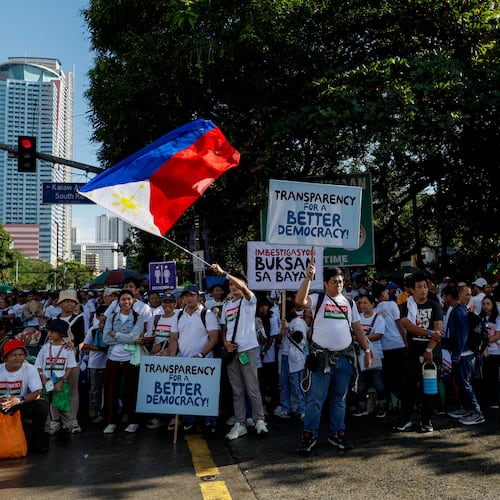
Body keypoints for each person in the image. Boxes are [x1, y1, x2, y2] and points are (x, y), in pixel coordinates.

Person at [295, 264, 371, 455]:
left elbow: (357, 328)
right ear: (325, 283)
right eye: (334, 282)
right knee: (315, 400)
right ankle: (309, 436)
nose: (338, 285)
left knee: (339, 400)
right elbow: (299, 300)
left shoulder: (349, 302)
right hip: (322, 359)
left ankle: (337, 433)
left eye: (341, 281)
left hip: (344, 359)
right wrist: (307, 278)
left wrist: (367, 349)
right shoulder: (317, 298)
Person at [211, 264, 269, 440]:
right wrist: (226, 343)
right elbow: (224, 328)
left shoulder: (249, 300)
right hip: (232, 352)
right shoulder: (227, 305)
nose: (233, 287)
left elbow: (243, 288)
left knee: (252, 388)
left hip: (247, 349)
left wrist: (225, 274)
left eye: (236, 284)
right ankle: (240, 423)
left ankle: (259, 420)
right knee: (237, 390)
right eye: (231, 286)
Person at [167, 284, 219, 434]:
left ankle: (210, 421)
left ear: (199, 297)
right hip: (184, 361)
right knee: (188, 394)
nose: (189, 298)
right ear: (182, 299)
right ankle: (189, 421)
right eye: (186, 296)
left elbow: (214, 337)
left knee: (206, 393)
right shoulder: (178, 315)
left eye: (192, 295)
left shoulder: (207, 314)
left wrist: (201, 354)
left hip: (205, 361)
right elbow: (174, 339)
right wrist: (172, 357)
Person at [396, 273, 443, 433]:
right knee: (407, 386)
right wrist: (430, 333)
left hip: (431, 352)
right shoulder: (405, 306)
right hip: (413, 351)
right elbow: (408, 327)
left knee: (429, 388)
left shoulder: (434, 305)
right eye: (419, 287)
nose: (423, 290)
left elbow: (439, 330)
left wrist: (429, 348)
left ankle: (426, 420)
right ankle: (406, 418)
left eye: (425, 286)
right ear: (411, 289)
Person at [102, 289, 145, 434]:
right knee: (111, 391)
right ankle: (111, 421)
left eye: (129, 299)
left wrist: (117, 334)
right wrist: (126, 337)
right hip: (113, 358)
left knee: (131, 390)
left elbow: (135, 336)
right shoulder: (112, 317)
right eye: (123, 299)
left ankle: (133, 421)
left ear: (133, 301)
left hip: (130, 358)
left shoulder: (138, 317)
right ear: (118, 302)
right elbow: (106, 338)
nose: (126, 302)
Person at [0, 339, 50, 453]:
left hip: (20, 403)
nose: (18, 358)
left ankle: (36, 442)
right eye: (14, 355)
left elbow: (37, 393)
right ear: (5, 358)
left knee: (41, 405)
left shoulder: (30, 369)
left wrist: (18, 400)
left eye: (21, 355)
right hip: (1, 405)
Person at [446, 285, 485, 425]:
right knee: (461, 383)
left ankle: (476, 412)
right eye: (466, 294)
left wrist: (457, 352)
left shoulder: (460, 310)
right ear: (459, 294)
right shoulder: (460, 309)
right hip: (462, 353)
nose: (469, 297)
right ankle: (468, 408)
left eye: (470, 294)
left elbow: (463, 333)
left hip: (464, 354)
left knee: (465, 383)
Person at [51, 289, 86, 434]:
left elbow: (80, 338)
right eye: (66, 301)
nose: (69, 304)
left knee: (72, 390)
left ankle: (72, 419)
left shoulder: (79, 318)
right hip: (54, 362)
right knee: (54, 390)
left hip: (72, 360)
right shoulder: (53, 320)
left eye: (72, 302)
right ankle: (55, 419)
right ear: (60, 303)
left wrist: (74, 343)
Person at [34, 319, 77, 435]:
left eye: (52, 332)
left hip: (59, 380)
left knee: (62, 404)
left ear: (61, 333)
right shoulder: (45, 348)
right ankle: (49, 426)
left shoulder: (67, 349)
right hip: (46, 380)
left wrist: (62, 380)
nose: (49, 335)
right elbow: (38, 364)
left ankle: (69, 425)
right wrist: (42, 376)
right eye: (48, 332)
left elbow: (70, 367)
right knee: (46, 404)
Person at [145, 292, 179, 430]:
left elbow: (177, 338)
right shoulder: (156, 318)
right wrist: (151, 346)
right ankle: (159, 417)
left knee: (172, 389)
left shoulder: (178, 318)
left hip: (172, 358)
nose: (167, 305)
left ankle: (173, 417)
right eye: (165, 302)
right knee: (159, 389)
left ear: (175, 304)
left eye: (170, 302)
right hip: (156, 359)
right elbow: (149, 335)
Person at [371, 282, 407, 412]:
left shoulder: (375, 310)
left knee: (389, 377)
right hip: (398, 344)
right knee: (401, 375)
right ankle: (403, 403)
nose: (388, 294)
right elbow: (400, 324)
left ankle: (391, 403)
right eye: (386, 292)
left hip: (385, 347)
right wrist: (406, 341)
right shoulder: (392, 305)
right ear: (382, 293)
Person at [353, 293, 387, 418]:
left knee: (378, 382)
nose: (362, 305)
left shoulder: (379, 318)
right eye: (360, 303)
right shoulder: (358, 318)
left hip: (375, 355)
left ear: (373, 304)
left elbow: (378, 335)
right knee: (360, 383)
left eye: (365, 302)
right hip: (360, 355)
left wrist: (360, 338)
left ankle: (382, 407)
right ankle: (362, 407)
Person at [82, 305, 108, 423]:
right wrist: (100, 348)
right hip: (96, 364)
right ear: (97, 316)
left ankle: (105, 411)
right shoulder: (93, 329)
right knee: (95, 389)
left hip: (109, 364)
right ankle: (94, 409)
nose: (105, 317)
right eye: (102, 315)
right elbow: (85, 345)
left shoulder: (112, 329)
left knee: (107, 389)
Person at [479, 294, 500, 409]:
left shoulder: (497, 317)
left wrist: (485, 343)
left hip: (496, 352)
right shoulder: (480, 318)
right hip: (485, 352)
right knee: (486, 377)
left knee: (495, 377)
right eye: (484, 304)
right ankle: (487, 400)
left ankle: (495, 401)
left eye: (488, 304)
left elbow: (498, 335)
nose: (485, 306)